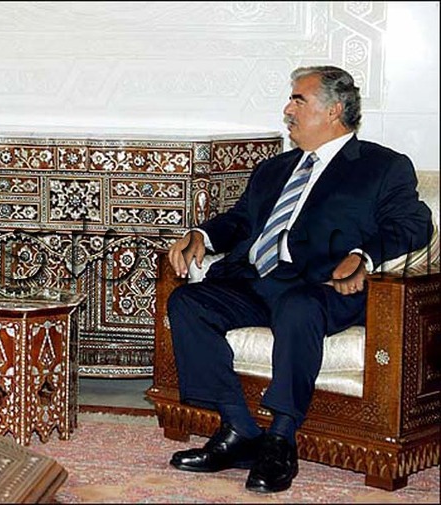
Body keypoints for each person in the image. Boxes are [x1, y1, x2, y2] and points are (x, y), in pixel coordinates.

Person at [165, 66, 431, 493]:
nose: (287, 109)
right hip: (258, 281)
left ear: (335, 110)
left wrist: (363, 256)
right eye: (290, 100)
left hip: (323, 288)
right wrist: (202, 235)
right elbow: (240, 220)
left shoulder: (382, 167)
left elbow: (414, 225)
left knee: (297, 307)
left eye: (298, 100)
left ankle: (280, 440)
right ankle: (238, 428)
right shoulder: (274, 169)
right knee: (189, 302)